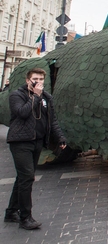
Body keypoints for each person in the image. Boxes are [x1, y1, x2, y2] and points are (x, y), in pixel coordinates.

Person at [5, 68, 67, 230]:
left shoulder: (47, 98)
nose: (38, 82)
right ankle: (25, 217)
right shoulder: (17, 95)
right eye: (35, 79)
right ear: (28, 81)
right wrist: (36, 97)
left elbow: (51, 121)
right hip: (20, 141)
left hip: (37, 141)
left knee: (23, 178)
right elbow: (22, 113)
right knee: (27, 178)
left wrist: (59, 137)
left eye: (41, 79)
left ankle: (11, 212)